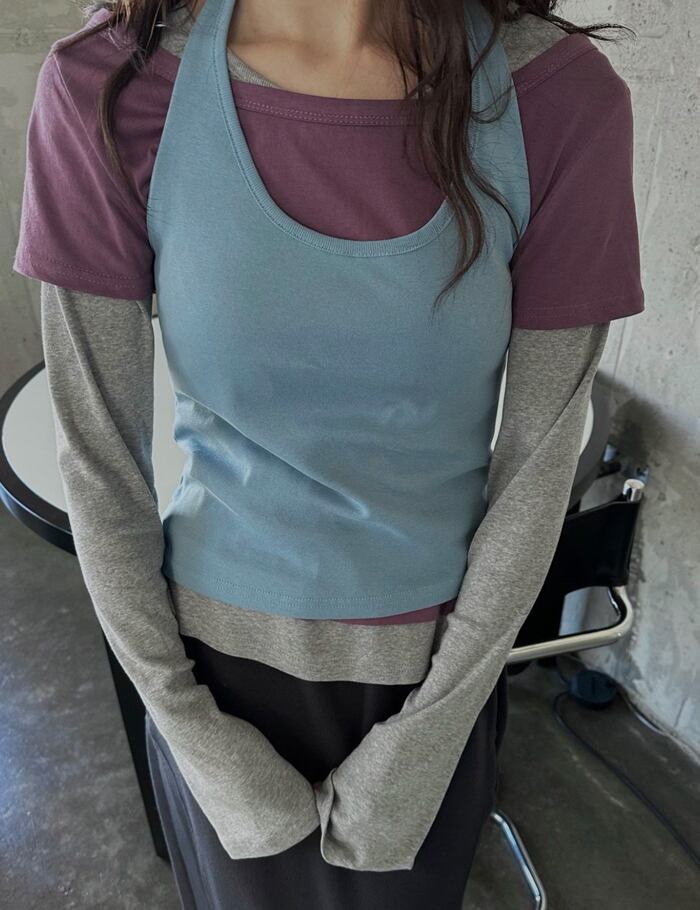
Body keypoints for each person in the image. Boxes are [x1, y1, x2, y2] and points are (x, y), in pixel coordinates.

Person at [13, 0, 645, 906]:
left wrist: (427, 739)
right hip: (211, 679)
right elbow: (100, 461)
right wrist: (190, 726)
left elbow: (538, 466)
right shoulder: (112, 86)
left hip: (435, 680)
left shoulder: (557, 99)